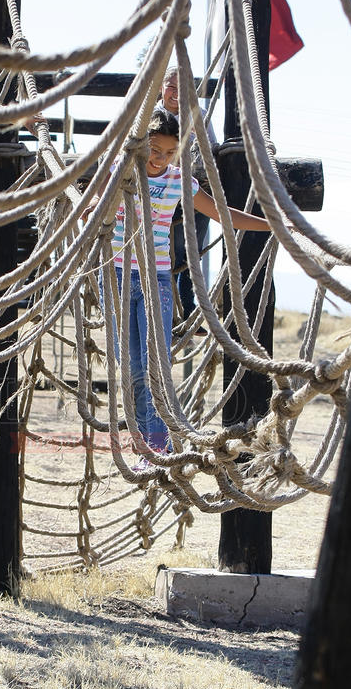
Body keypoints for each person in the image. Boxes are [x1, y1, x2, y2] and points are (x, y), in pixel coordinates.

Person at [90, 108, 269, 461]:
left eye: (170, 153)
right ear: (142, 145)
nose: (160, 159)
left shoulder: (178, 180)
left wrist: (272, 225)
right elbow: (95, 202)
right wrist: (88, 210)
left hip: (155, 278)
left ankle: (159, 444)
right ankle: (146, 444)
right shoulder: (119, 172)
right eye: (155, 150)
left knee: (153, 363)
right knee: (131, 366)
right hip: (115, 276)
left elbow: (222, 212)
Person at [160, 65, 216, 322]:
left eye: (182, 89)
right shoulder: (152, 115)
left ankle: (187, 307)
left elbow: (213, 150)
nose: (176, 94)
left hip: (194, 190)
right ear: (162, 88)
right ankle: (168, 308)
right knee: (165, 249)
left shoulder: (198, 115)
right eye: (171, 87)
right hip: (160, 193)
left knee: (190, 251)